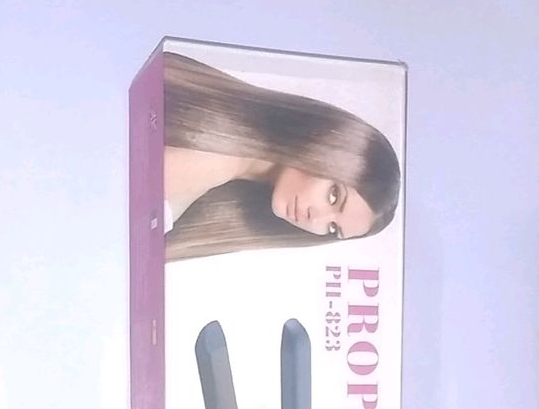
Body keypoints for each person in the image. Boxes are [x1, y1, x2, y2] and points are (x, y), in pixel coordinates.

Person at [163, 52, 401, 261]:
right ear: (327, 146)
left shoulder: (221, 180)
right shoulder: (212, 158)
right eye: (333, 196)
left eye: (332, 227)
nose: (315, 219)